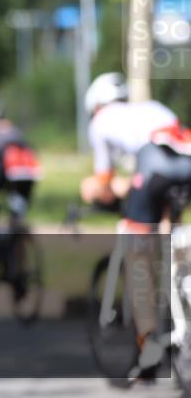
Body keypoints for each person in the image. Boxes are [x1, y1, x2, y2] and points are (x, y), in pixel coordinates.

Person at [78, 72, 191, 375]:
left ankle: (149, 349)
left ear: (96, 105)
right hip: (185, 162)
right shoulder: (153, 108)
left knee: (137, 256)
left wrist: (91, 190)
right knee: (172, 241)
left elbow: (104, 181)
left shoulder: (100, 122)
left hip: (153, 166)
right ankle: (182, 290)